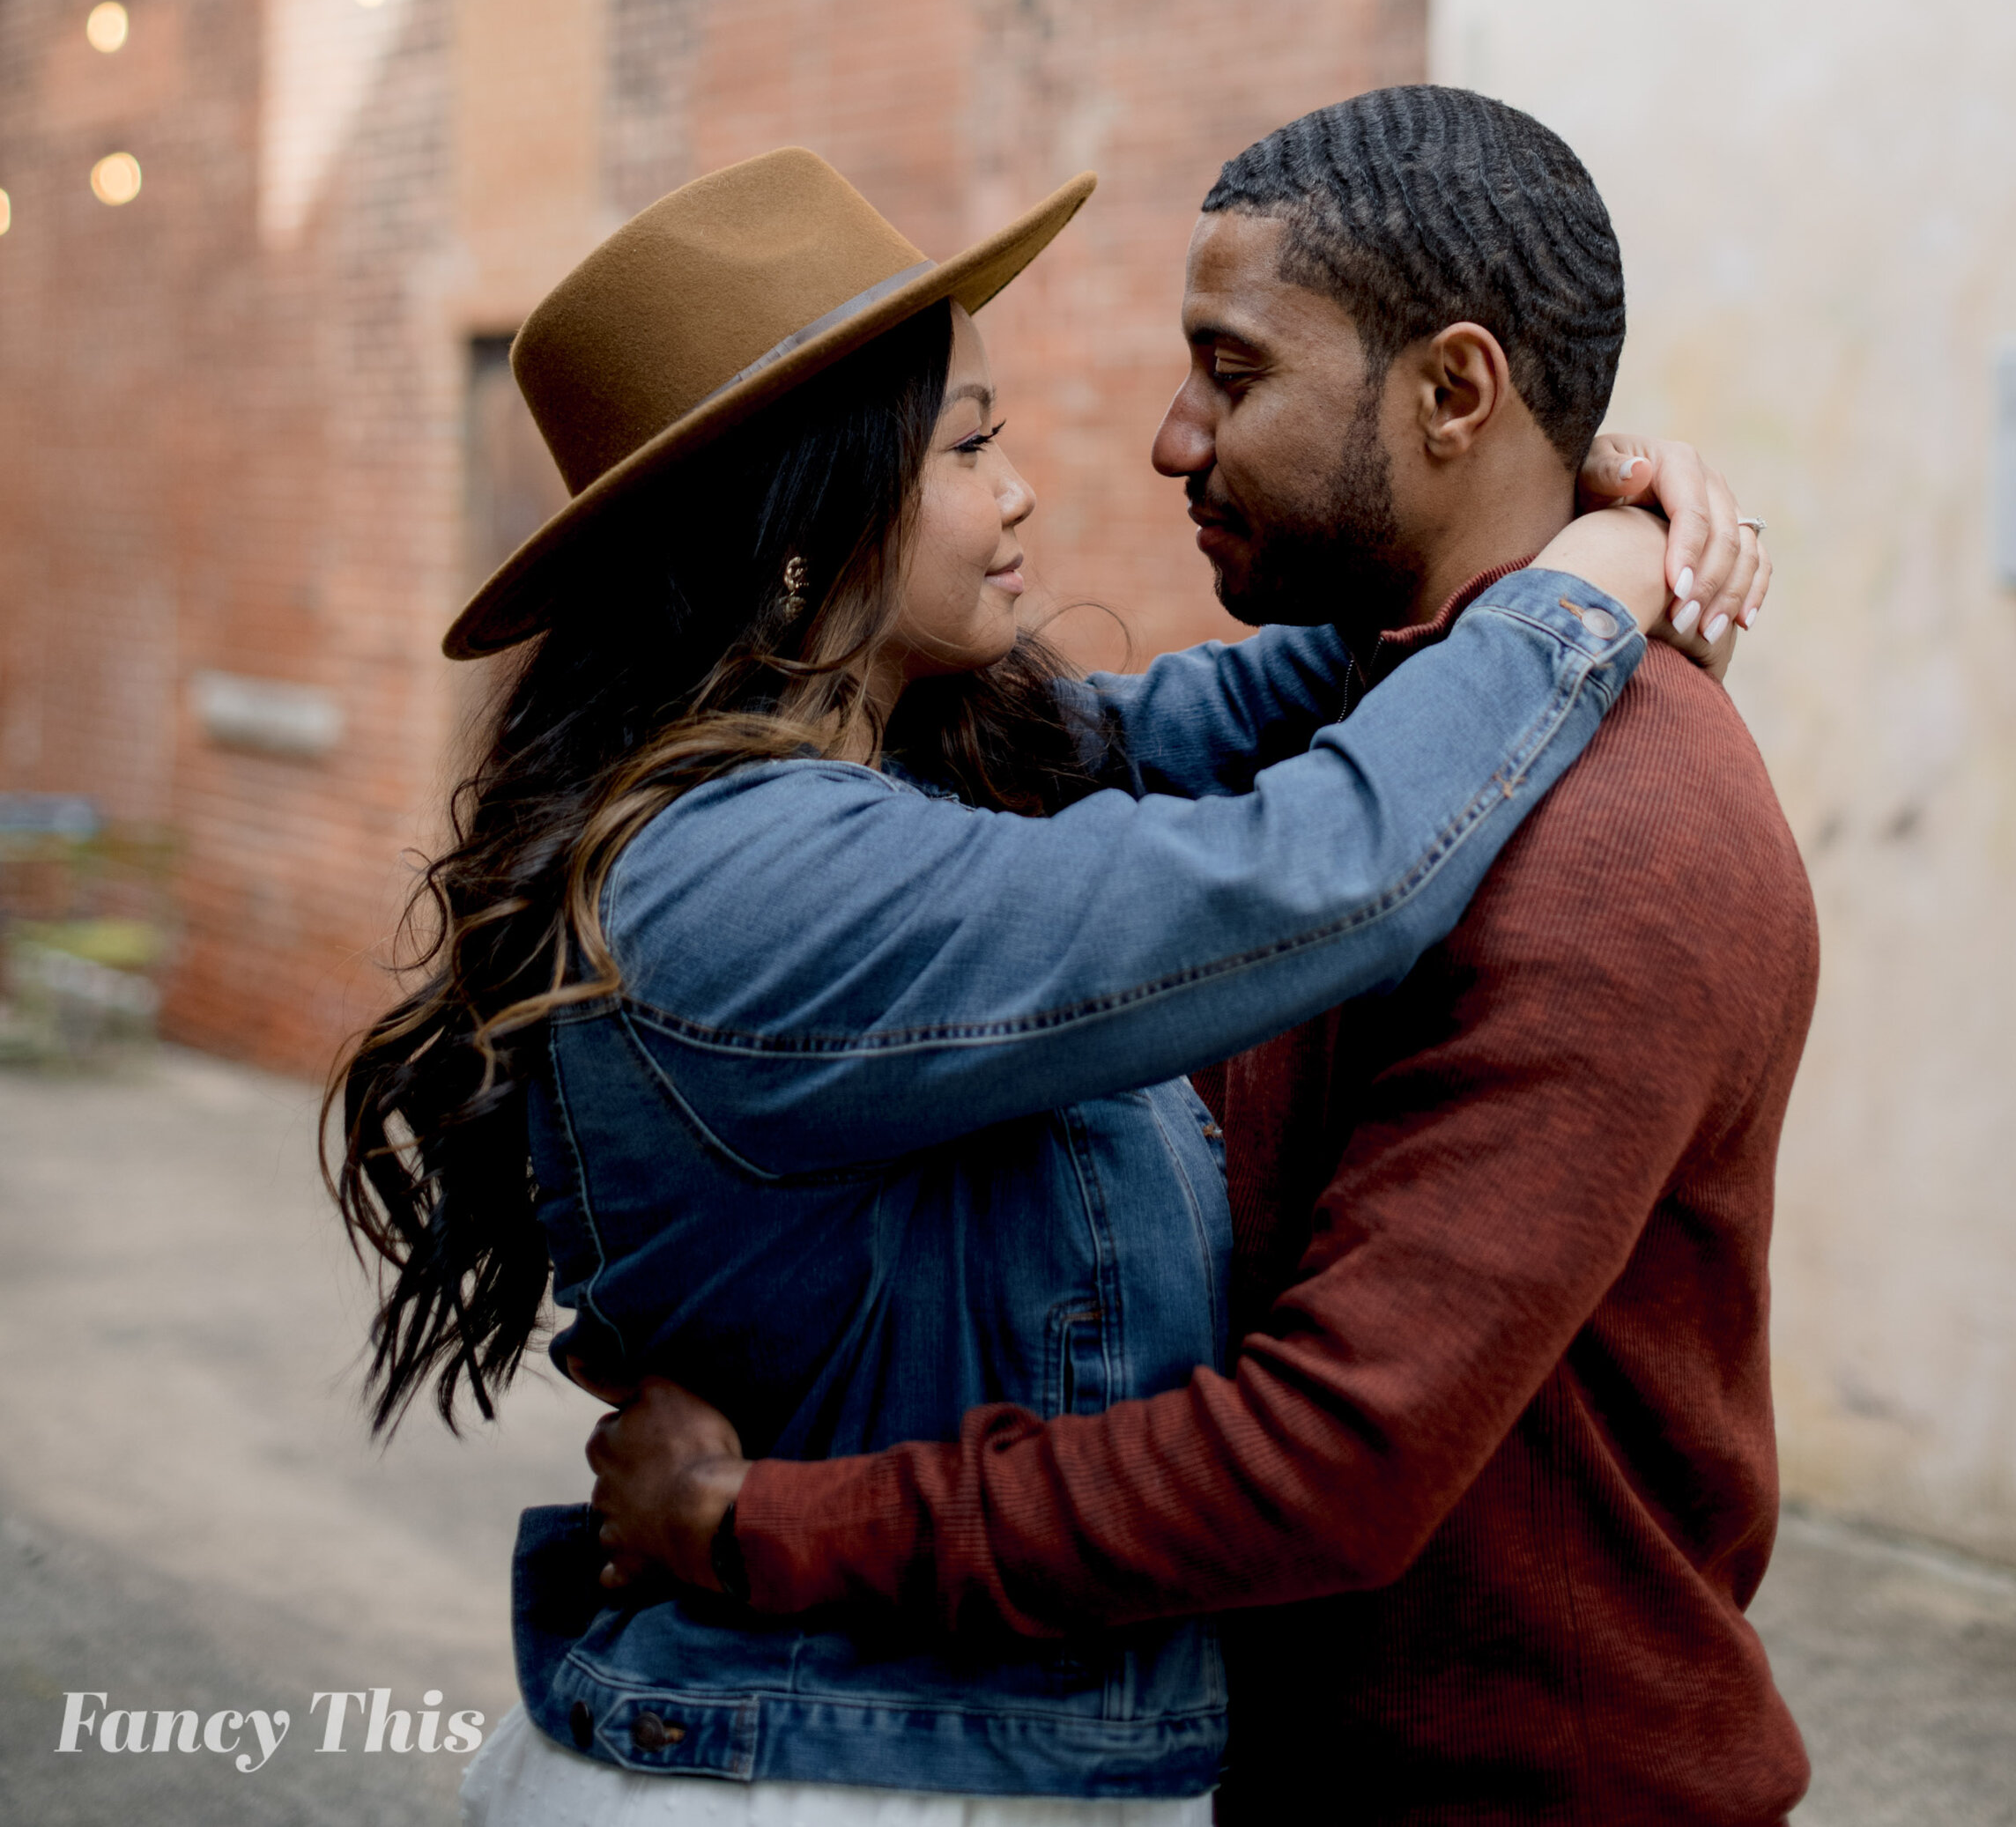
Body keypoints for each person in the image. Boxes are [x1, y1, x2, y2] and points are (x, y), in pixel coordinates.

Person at [334, 129, 1756, 1826]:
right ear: (809, 523)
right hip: (818, 1779)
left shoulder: (921, 769)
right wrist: (1578, 596)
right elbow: (1317, 866)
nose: (1024, 490)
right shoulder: (741, 877)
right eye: (969, 446)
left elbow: (1272, 699)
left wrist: (1535, 501)